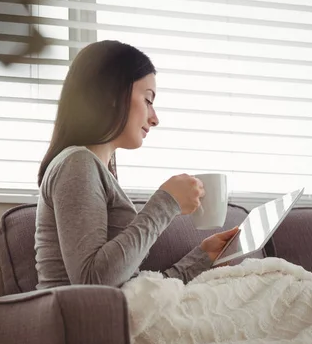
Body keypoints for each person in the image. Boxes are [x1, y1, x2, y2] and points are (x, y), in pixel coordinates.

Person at [34, 40, 239, 289]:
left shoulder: (93, 168)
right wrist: (166, 203)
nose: (155, 119)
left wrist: (202, 258)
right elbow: (92, 282)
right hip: (88, 320)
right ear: (111, 94)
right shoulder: (77, 164)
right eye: (148, 100)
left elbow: (132, 291)